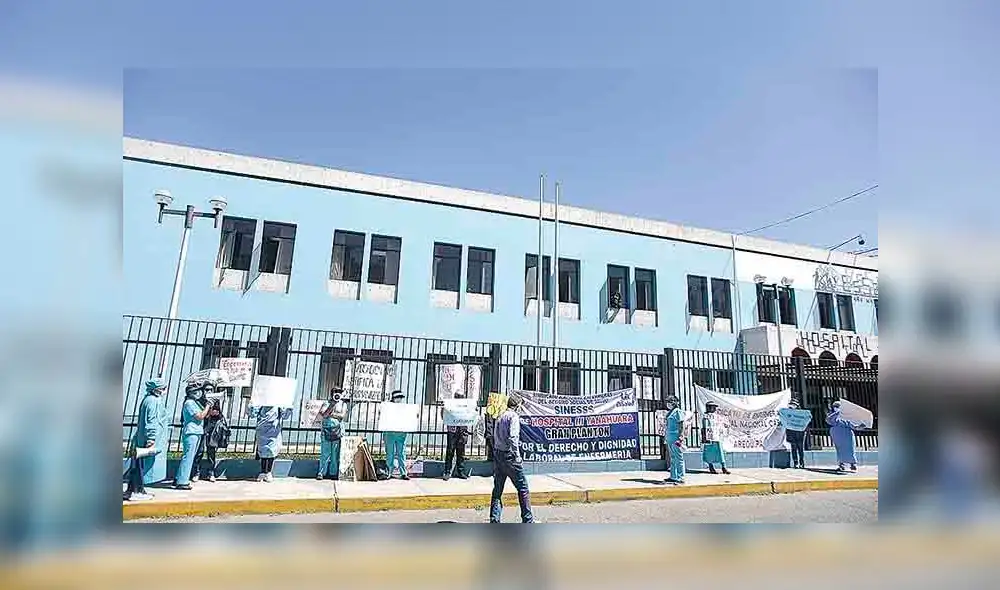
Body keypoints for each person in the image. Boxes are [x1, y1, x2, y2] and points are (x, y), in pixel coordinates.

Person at [489, 394, 533, 523]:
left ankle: (494, 519)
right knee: (523, 488)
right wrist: (517, 456)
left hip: (499, 455)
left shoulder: (500, 416)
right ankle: (528, 520)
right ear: (517, 406)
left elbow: (494, 436)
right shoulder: (513, 417)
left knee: (497, 489)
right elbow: (513, 438)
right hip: (509, 456)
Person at [124, 378, 170, 501]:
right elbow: (152, 421)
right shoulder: (154, 401)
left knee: (138, 465)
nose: (164, 391)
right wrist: (151, 439)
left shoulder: (147, 400)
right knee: (141, 467)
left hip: (140, 438)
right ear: (157, 389)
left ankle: (135, 490)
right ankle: (136, 491)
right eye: (163, 388)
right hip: (146, 440)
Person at [174, 384, 213, 490]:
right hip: (191, 432)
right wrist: (207, 406)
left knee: (190, 456)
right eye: (198, 391)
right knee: (188, 456)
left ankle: (179, 477)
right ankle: (182, 481)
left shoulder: (195, 403)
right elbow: (199, 416)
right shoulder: (189, 403)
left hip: (197, 431)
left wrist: (209, 406)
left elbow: (205, 415)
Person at [248, 404, 294, 482]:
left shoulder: (278, 403)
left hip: (273, 430)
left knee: (271, 450)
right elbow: (253, 413)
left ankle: (268, 472)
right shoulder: (261, 401)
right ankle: (263, 471)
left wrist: (289, 407)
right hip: (262, 429)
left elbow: (285, 415)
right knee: (263, 450)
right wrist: (252, 405)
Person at [317, 387, 354, 480]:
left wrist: (331, 414)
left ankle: (333, 473)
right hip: (326, 431)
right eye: (335, 392)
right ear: (332, 393)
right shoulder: (326, 403)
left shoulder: (343, 404)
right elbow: (324, 414)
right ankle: (321, 472)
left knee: (335, 453)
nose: (337, 394)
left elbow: (342, 416)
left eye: (339, 392)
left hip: (337, 431)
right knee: (325, 453)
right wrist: (332, 405)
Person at [192, 389, 227, 482]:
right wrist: (207, 409)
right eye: (206, 389)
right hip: (201, 428)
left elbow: (218, 414)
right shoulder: (199, 401)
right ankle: (196, 472)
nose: (208, 391)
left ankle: (211, 472)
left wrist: (213, 409)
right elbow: (200, 415)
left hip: (212, 429)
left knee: (211, 451)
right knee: (199, 451)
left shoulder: (215, 401)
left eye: (210, 389)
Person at [383, 389, 410, 480]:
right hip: (389, 432)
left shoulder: (405, 408)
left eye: (400, 398)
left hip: (401, 433)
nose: (399, 399)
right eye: (397, 397)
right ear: (393, 398)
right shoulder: (387, 407)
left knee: (401, 453)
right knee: (389, 453)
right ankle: (389, 472)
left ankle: (403, 472)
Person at [442, 393, 470, 480]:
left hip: (462, 430)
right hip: (452, 431)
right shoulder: (450, 405)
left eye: (461, 397)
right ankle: (447, 471)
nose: (460, 399)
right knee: (450, 451)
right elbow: (443, 416)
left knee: (461, 452)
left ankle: (460, 471)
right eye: (458, 397)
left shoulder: (466, 406)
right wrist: (444, 409)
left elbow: (470, 415)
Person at [827, 400, 858, 473]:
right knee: (840, 450)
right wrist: (837, 413)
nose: (836, 408)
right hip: (837, 434)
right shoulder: (832, 414)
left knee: (850, 448)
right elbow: (828, 420)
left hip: (847, 434)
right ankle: (842, 464)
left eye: (838, 406)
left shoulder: (847, 416)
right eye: (835, 406)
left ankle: (853, 463)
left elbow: (853, 425)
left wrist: (860, 426)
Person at [701, 401, 730, 475]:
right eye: (713, 407)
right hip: (709, 437)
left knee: (720, 452)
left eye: (714, 407)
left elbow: (722, 425)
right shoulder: (705, 416)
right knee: (709, 453)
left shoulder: (718, 416)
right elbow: (704, 427)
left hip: (717, 436)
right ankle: (711, 466)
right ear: (709, 407)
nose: (714, 408)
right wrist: (704, 436)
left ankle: (724, 467)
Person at [664, 396, 686, 484]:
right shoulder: (670, 412)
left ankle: (681, 477)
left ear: (674, 402)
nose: (668, 403)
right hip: (670, 437)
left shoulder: (678, 412)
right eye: (667, 401)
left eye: (670, 401)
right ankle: (673, 476)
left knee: (679, 457)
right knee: (672, 458)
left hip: (676, 437)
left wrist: (681, 436)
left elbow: (681, 425)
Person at [785, 398, 808, 469]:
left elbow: (805, 421)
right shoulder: (788, 413)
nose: (792, 406)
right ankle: (796, 462)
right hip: (792, 432)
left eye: (794, 404)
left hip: (800, 433)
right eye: (791, 404)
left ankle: (801, 462)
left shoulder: (801, 413)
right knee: (794, 448)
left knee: (800, 448)